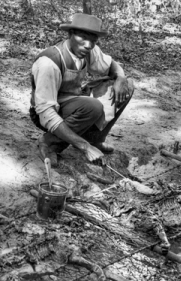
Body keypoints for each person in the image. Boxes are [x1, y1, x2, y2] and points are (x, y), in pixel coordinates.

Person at [30, 13, 134, 166]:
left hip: (74, 99)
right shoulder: (49, 62)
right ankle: (49, 143)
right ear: (70, 34)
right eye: (82, 38)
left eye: (93, 40)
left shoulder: (88, 50)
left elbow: (111, 65)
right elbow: (46, 113)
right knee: (92, 107)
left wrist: (120, 77)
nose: (88, 45)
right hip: (46, 111)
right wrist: (84, 147)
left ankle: (95, 139)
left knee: (128, 85)